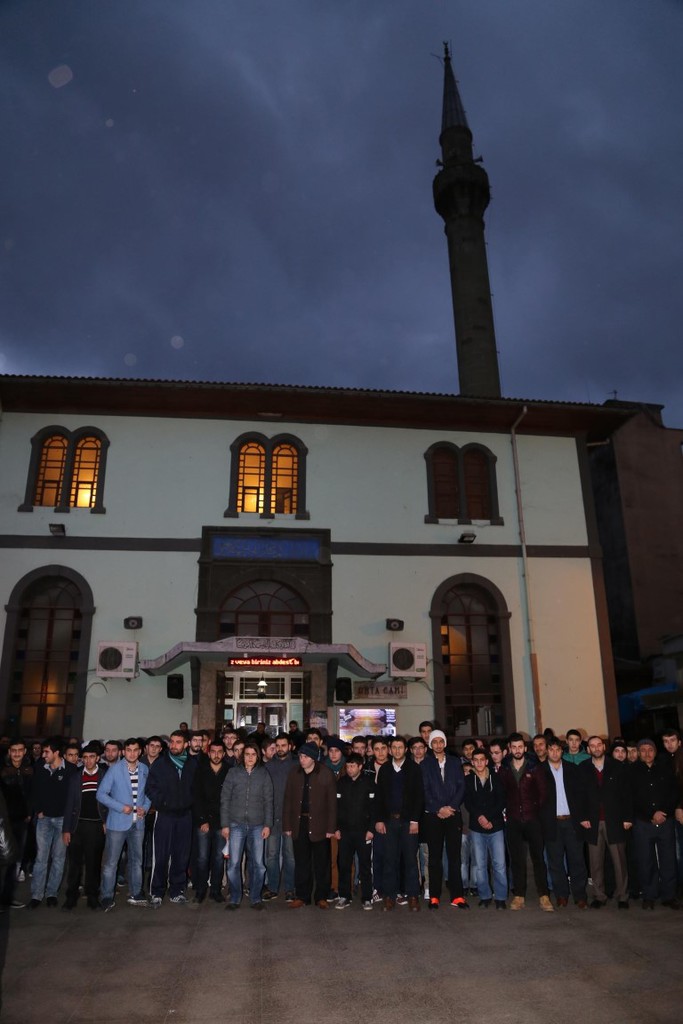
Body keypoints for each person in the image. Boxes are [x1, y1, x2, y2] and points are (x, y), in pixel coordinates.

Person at [499, 733, 553, 911]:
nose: (517, 750)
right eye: (514, 747)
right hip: (513, 820)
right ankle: (519, 896)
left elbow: (543, 793)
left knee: (538, 859)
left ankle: (544, 896)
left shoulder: (534, 767)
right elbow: (502, 792)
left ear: (525, 748)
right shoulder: (504, 769)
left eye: (520, 747)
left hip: (533, 820)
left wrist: (534, 811)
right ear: (509, 748)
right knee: (517, 860)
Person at [578, 735, 633, 909]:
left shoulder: (617, 766)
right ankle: (599, 895)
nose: (596, 748)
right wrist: (582, 817)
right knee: (595, 862)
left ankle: (622, 896)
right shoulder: (583, 767)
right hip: (592, 822)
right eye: (592, 745)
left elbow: (627, 794)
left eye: (599, 745)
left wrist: (627, 818)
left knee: (619, 861)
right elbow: (579, 795)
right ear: (588, 749)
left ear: (604, 747)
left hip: (615, 820)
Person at [97, 737, 151, 911]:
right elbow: (101, 794)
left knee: (137, 861)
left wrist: (145, 808)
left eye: (135, 750)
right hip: (117, 824)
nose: (132, 753)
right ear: (123, 752)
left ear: (140, 752)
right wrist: (121, 807)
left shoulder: (144, 769)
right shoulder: (115, 770)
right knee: (111, 863)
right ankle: (106, 896)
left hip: (138, 823)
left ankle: (136, 893)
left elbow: (148, 793)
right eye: (129, 750)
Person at [282, 741, 337, 909]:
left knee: (322, 863)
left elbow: (332, 803)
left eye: (305, 757)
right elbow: (288, 800)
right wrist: (287, 825)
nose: (302, 760)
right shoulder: (294, 773)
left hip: (320, 824)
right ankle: (302, 896)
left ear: (314, 758)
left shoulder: (325, 773)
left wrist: (331, 828)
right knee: (301, 862)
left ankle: (321, 896)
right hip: (299, 823)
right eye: (300, 756)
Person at [221, 741, 273, 911]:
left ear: (258, 756)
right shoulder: (233, 773)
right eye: (247, 754)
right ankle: (235, 897)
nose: (250, 757)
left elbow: (269, 801)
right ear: (242, 756)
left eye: (253, 754)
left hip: (258, 825)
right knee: (233, 864)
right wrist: (225, 824)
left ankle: (256, 898)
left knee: (259, 865)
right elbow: (225, 799)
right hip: (236, 825)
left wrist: (268, 824)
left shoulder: (264, 774)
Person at [147, 729, 198, 905]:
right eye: (172, 741)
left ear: (186, 744)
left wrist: (190, 803)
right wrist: (163, 803)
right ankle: (157, 891)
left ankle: (177, 890)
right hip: (165, 815)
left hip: (185, 816)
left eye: (178, 742)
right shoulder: (161, 763)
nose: (174, 745)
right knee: (161, 855)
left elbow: (197, 788)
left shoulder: (192, 764)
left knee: (181, 855)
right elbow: (150, 788)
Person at [374, 735, 425, 911]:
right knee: (390, 859)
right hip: (389, 821)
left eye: (400, 747)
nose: (397, 750)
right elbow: (379, 796)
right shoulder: (385, 769)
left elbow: (419, 796)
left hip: (408, 822)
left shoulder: (414, 768)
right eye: (394, 747)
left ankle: (413, 896)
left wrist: (415, 820)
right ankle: (389, 896)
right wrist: (379, 819)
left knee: (410, 860)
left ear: (406, 750)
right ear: (390, 750)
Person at [630, 738, 679, 910]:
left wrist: (663, 812)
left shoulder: (665, 769)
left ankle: (669, 896)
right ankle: (649, 895)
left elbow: (674, 792)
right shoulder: (632, 771)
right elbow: (632, 798)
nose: (647, 753)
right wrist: (651, 814)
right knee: (646, 860)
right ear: (638, 753)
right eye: (643, 750)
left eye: (650, 749)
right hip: (643, 822)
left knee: (668, 860)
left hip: (665, 820)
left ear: (655, 752)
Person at [540, 737, 588, 908]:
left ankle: (580, 895)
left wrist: (583, 818)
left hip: (572, 821)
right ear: (547, 751)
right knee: (555, 861)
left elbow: (581, 796)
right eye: (551, 749)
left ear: (562, 751)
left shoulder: (572, 769)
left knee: (577, 860)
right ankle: (561, 895)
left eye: (557, 750)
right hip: (552, 822)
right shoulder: (539, 771)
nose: (554, 753)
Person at [28, 738, 76, 909]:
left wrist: (69, 820)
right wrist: (38, 810)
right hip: (44, 819)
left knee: (58, 858)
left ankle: (51, 893)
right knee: (41, 858)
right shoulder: (40, 767)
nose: (43, 755)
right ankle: (36, 895)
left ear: (56, 753)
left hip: (63, 821)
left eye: (46, 752)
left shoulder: (71, 770)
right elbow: (34, 790)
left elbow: (73, 797)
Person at [421, 729, 467, 910]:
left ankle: (457, 896)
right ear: (430, 744)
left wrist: (451, 807)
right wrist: (439, 808)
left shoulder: (455, 762)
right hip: (433, 816)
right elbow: (424, 790)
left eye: (441, 741)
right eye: (435, 741)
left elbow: (461, 786)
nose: (438, 744)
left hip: (453, 814)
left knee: (454, 856)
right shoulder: (425, 764)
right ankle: (434, 896)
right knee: (434, 857)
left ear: (445, 743)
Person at [61, 741, 107, 910]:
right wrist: (66, 829)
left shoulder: (105, 776)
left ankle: (92, 896)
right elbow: (69, 804)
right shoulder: (76, 777)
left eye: (92, 757)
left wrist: (106, 821)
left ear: (98, 758)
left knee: (93, 863)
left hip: (96, 826)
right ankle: (71, 896)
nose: (88, 760)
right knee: (74, 864)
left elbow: (110, 801)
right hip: (77, 826)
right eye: (85, 757)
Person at [464, 747, 508, 909]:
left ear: (487, 761)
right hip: (477, 827)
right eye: (476, 760)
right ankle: (485, 896)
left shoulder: (496, 778)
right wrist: (480, 817)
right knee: (480, 865)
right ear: (472, 762)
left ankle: (501, 897)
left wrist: (488, 818)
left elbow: (501, 800)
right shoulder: (468, 780)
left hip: (495, 826)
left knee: (499, 864)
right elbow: (468, 802)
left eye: (482, 760)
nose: (479, 763)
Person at [335, 753, 375, 910]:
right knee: (344, 864)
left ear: (360, 766)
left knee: (365, 865)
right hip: (345, 832)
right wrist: (336, 828)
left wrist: (371, 829)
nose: (349, 769)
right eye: (348, 766)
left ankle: (367, 897)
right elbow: (336, 808)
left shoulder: (368, 783)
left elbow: (374, 808)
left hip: (363, 832)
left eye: (353, 766)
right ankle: (344, 896)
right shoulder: (341, 783)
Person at [192, 738, 230, 903]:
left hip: (222, 822)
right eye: (213, 752)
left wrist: (227, 823)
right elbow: (196, 796)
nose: (216, 755)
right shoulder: (200, 770)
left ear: (224, 753)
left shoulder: (229, 770)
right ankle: (200, 890)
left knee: (218, 858)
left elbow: (231, 798)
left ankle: (215, 890)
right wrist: (202, 820)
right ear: (208, 753)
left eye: (219, 752)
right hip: (204, 821)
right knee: (202, 858)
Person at [0, 738, 33, 910]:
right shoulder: (3, 771)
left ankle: (7, 897)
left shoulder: (30, 770)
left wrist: (29, 813)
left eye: (20, 750)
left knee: (14, 859)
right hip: (3, 821)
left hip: (22, 821)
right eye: (14, 750)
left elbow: (32, 794)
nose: (17, 753)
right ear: (9, 752)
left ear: (24, 751)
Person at [263, 733, 296, 901]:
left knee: (290, 856)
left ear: (290, 746)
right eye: (278, 746)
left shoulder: (296, 765)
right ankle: (273, 887)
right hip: (272, 818)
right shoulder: (267, 766)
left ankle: (290, 888)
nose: (280, 748)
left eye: (284, 745)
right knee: (271, 855)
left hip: (291, 819)